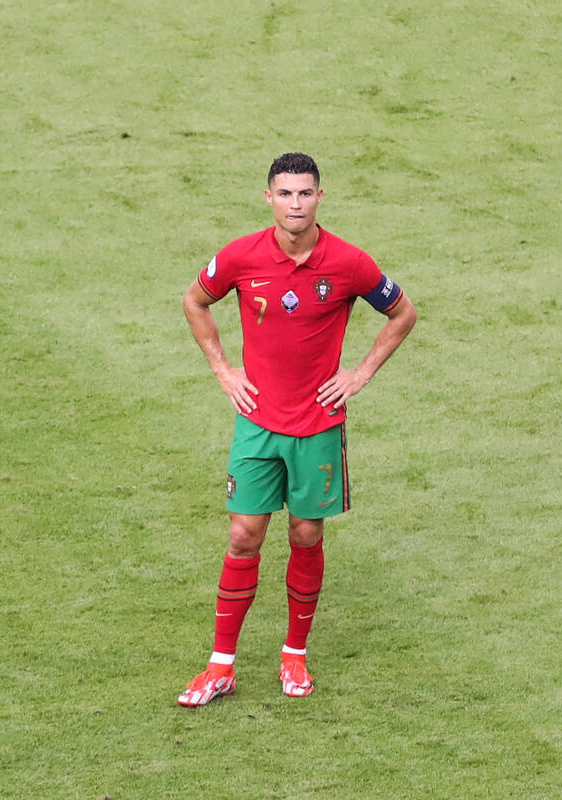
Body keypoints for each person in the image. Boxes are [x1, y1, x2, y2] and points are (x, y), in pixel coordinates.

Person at [177, 152, 417, 707]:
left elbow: (403, 313)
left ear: (319, 198)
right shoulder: (242, 256)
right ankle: (220, 665)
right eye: (285, 194)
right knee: (243, 534)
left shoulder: (350, 263)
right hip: (257, 422)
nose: (295, 203)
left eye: (304, 193)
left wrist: (358, 374)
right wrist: (223, 368)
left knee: (306, 534)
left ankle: (294, 655)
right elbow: (194, 301)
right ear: (269, 198)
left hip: (317, 426)